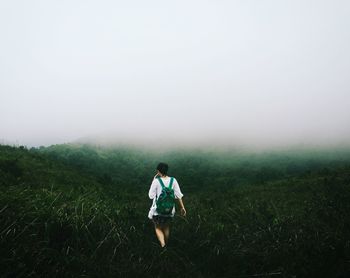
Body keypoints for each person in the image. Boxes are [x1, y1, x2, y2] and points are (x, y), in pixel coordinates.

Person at [148, 162, 186, 248]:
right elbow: (178, 195)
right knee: (166, 227)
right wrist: (182, 207)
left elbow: (151, 196)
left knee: (157, 227)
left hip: (158, 210)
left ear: (158, 171)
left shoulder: (156, 181)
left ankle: (163, 244)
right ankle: (167, 246)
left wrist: (153, 181)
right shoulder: (173, 180)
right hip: (169, 210)